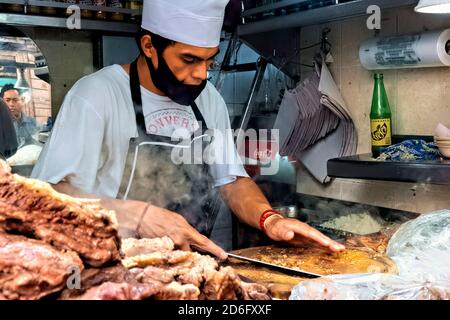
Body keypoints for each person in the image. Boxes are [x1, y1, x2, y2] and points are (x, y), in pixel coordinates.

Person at [32, 0, 345, 260]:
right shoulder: (97, 95)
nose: (200, 74)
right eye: (189, 59)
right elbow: (51, 197)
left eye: (209, 61)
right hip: (112, 267)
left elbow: (233, 182)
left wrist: (270, 219)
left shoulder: (210, 101)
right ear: (149, 46)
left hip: (189, 267)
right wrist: (139, 216)